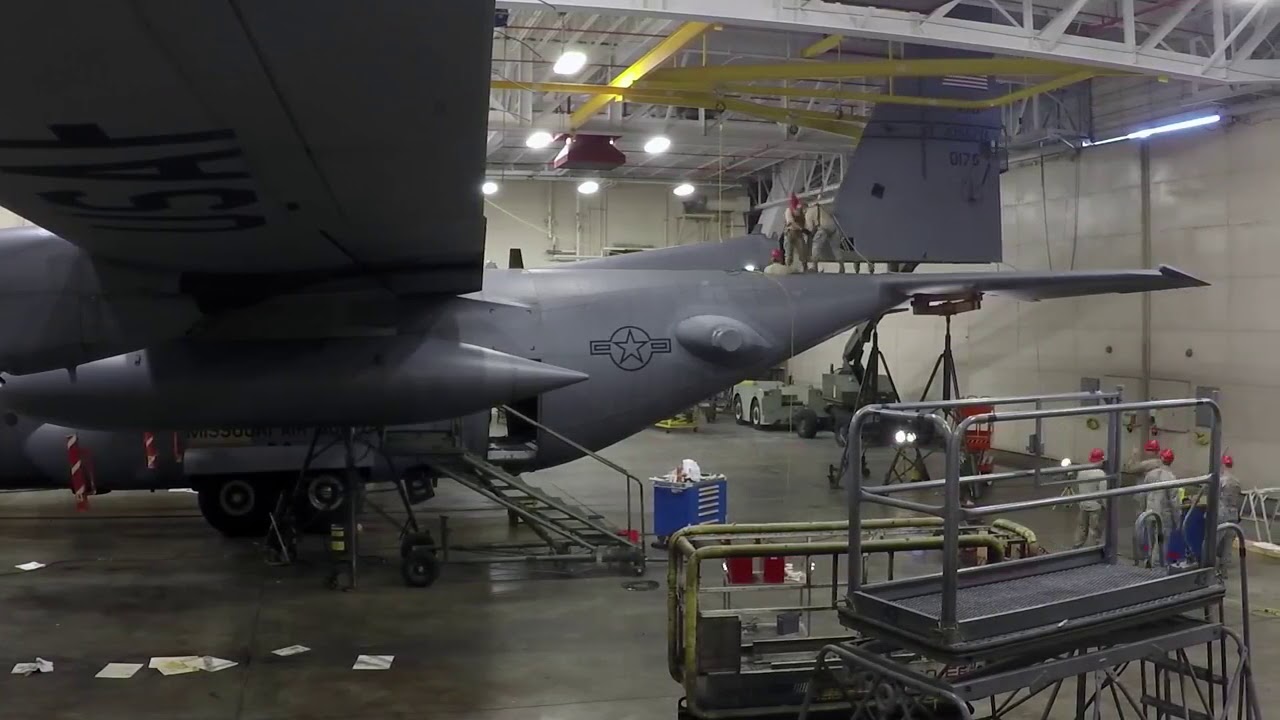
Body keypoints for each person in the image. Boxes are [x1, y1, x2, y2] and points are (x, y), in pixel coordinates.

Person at [1140, 447, 1179, 562]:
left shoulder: (1150, 475)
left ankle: (1148, 560)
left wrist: (1143, 511)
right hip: (1163, 514)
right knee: (1161, 541)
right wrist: (1177, 520)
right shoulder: (1171, 478)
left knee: (1150, 538)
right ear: (1172, 461)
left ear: (1161, 459)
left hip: (1149, 511)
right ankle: (1157, 565)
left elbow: (1143, 494)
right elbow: (1174, 502)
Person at [1073, 448, 1108, 548]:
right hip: (1095, 507)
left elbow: (1078, 486)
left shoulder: (1082, 471)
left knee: (1081, 528)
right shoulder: (1101, 474)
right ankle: (1091, 551)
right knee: (1094, 531)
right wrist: (1106, 507)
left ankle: (1076, 547)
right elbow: (1103, 493)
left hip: (1083, 505)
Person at [804, 202, 845, 274]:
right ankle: (842, 267)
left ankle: (814, 267)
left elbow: (810, 229)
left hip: (823, 228)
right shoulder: (822, 207)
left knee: (816, 246)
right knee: (836, 248)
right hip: (833, 228)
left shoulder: (808, 213)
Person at [783, 193, 810, 272]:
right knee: (789, 253)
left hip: (798, 233)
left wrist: (805, 229)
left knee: (802, 252)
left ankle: (805, 268)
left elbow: (804, 221)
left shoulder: (800, 211)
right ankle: (788, 269)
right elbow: (790, 222)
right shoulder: (789, 210)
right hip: (790, 233)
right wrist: (802, 228)